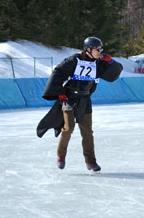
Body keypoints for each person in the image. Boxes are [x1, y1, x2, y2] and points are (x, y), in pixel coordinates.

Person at [37, 36, 123, 173]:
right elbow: (58, 72)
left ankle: (91, 161)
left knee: (87, 132)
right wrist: (59, 93)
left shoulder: (98, 63)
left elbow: (113, 75)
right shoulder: (73, 60)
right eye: (97, 49)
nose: (100, 52)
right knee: (68, 128)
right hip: (69, 98)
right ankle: (61, 155)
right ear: (88, 49)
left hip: (85, 99)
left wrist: (111, 62)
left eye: (101, 49)